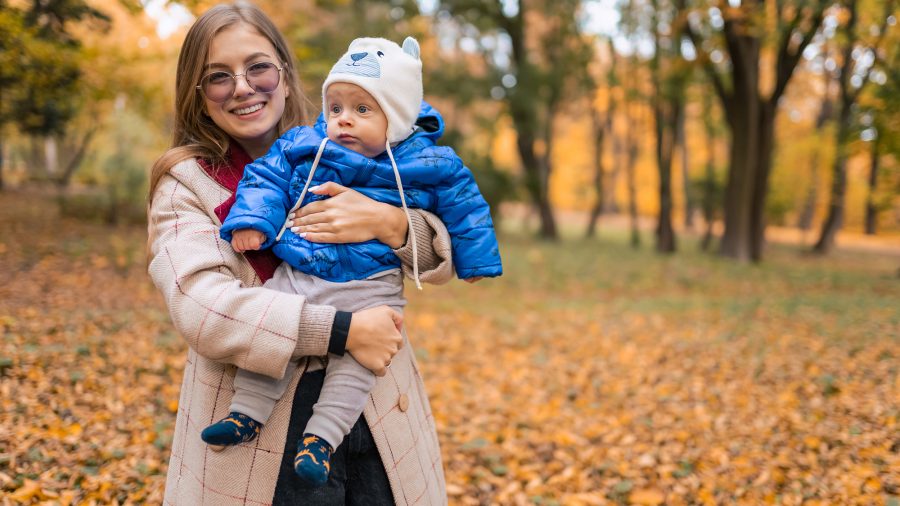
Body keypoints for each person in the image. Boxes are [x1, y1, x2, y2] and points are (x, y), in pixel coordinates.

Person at [146, 3, 455, 504]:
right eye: (219, 76)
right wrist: (341, 330)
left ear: (285, 78)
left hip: (375, 414)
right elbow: (202, 307)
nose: (243, 86)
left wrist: (391, 223)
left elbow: (445, 260)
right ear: (200, 98)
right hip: (264, 430)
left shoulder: (362, 148)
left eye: (258, 67)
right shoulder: (186, 185)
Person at [199, 36, 502, 486]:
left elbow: (466, 206)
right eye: (336, 106)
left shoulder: (431, 161)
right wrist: (252, 220)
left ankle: (321, 439)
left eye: (363, 110)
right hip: (302, 270)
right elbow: (267, 177)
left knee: (359, 365)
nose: (344, 120)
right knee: (269, 329)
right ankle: (246, 412)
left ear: (396, 118)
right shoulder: (306, 142)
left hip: (373, 283)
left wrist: (473, 259)